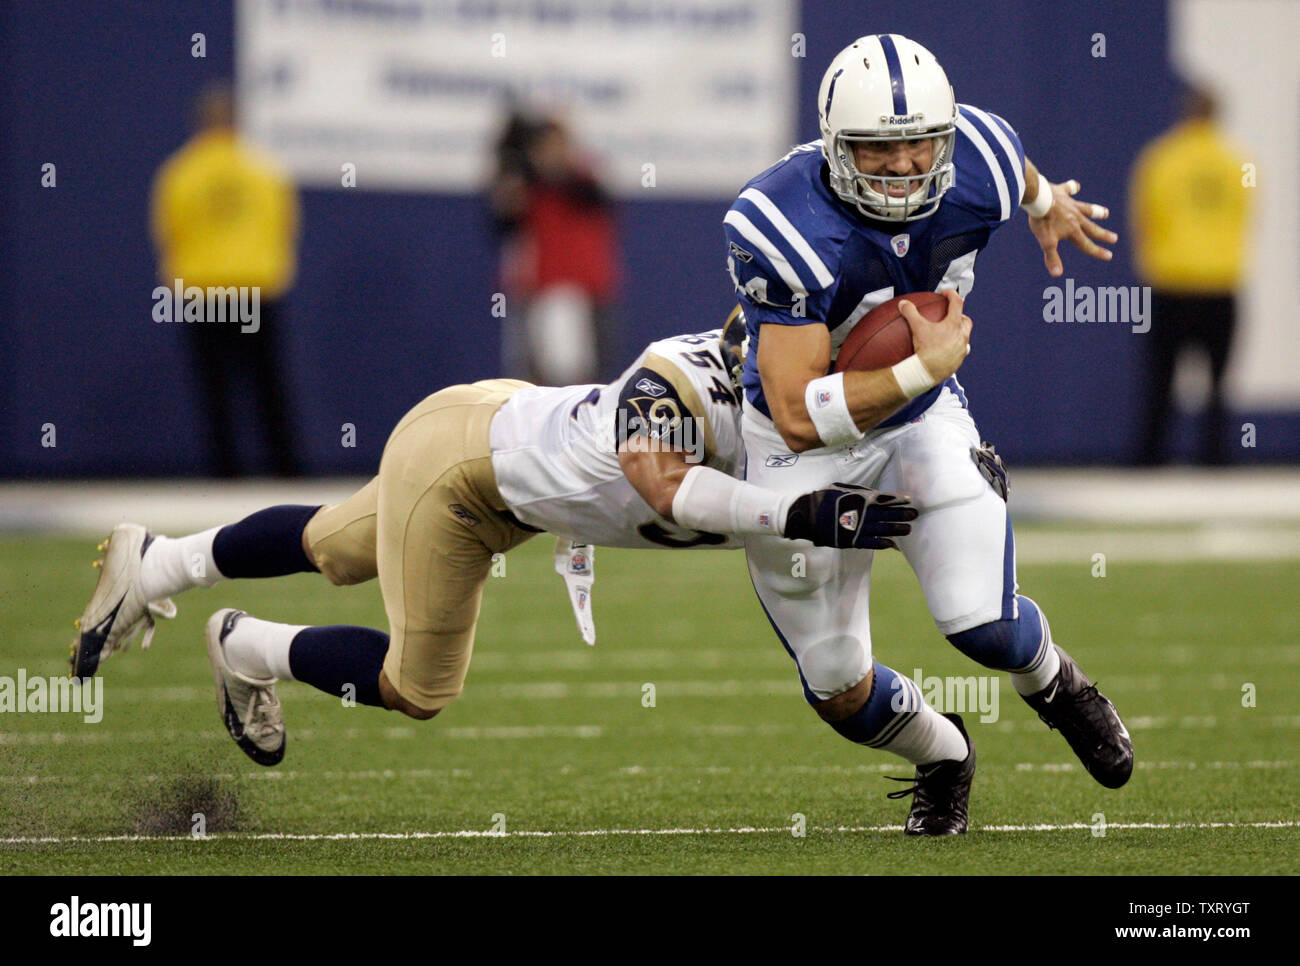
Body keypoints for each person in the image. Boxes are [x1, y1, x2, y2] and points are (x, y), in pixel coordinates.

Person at [70, 319, 925, 765]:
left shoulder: (804, 428)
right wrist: (801, 516)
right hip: (468, 475)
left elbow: (876, 459)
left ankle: (158, 564)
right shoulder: (687, 386)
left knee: (336, 547)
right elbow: (669, 484)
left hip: (502, 439)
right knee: (418, 687)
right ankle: (248, 646)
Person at [724, 34, 1133, 835]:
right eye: (879, 149)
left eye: (920, 142)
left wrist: (1049, 202)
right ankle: (944, 754)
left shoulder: (977, 152)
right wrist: (923, 367)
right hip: (795, 443)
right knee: (837, 684)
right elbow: (801, 414)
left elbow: (1012, 171)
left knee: (986, 625)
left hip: (919, 422)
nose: (907, 164)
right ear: (837, 147)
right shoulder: (783, 223)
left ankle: (1057, 682)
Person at [150, 82, 302, 476]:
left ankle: (226, 474)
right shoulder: (262, 170)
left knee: (215, 389)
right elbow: (285, 226)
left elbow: (169, 233)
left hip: (206, 289)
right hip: (253, 288)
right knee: (267, 388)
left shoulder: (180, 173)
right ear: (237, 121)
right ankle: (286, 471)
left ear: (201, 123)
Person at [1130, 85, 1252, 465]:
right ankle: (1215, 460)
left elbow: (1144, 217)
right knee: (1218, 384)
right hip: (1220, 284)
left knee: (1160, 382)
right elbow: (1246, 212)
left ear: (1186, 113)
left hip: (1171, 284)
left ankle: (1151, 460)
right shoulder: (1240, 165)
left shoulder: (1161, 159)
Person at [488, 112, 621, 385]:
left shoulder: (584, 178)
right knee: (533, 376)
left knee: (582, 376)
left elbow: (596, 199)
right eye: (545, 146)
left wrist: (552, 169)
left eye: (557, 144)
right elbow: (502, 224)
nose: (553, 152)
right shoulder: (527, 186)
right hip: (538, 292)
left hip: (585, 291)